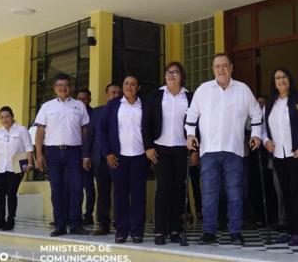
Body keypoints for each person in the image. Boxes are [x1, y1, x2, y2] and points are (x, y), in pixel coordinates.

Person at [185, 53, 263, 245]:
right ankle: (209, 232)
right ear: (213, 70)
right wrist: (190, 135)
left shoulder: (243, 89)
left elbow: (256, 114)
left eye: (224, 65)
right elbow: (191, 115)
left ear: (231, 68)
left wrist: (256, 135)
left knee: (235, 192)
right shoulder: (203, 90)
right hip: (208, 150)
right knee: (209, 192)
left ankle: (235, 231)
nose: (221, 69)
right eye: (217, 66)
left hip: (234, 149)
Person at [261, 68, 298, 246]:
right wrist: (266, 141)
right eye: (277, 77)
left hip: (297, 154)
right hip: (278, 155)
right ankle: (291, 230)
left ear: (289, 79)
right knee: (286, 193)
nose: (281, 80)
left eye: (284, 76)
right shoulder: (269, 104)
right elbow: (262, 129)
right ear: (273, 82)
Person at [142, 61, 194, 245]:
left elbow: (197, 124)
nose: (172, 75)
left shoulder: (189, 96)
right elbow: (146, 122)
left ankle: (174, 229)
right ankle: (159, 231)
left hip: (182, 149)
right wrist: (148, 147)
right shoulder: (155, 96)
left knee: (179, 189)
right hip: (160, 149)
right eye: (168, 72)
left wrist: (195, 149)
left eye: (176, 72)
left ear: (182, 76)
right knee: (163, 188)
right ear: (165, 76)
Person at [35, 73, 90, 237]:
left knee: (77, 188)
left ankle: (76, 224)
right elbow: (40, 132)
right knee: (57, 189)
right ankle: (60, 225)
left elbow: (84, 130)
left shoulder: (79, 106)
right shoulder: (46, 107)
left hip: (74, 152)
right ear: (54, 88)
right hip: (52, 152)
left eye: (65, 84)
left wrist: (85, 153)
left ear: (70, 87)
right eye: (59, 85)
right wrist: (39, 155)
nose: (63, 88)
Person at [99, 75, 148, 243]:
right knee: (120, 195)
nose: (129, 86)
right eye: (126, 83)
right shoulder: (113, 105)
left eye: (133, 84)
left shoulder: (145, 105)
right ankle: (121, 231)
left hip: (140, 156)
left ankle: (137, 232)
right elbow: (101, 129)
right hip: (118, 158)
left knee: (138, 196)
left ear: (138, 87)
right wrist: (108, 153)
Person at [0, 106, 33, 231]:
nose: (5, 119)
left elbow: (28, 148)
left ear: (12, 116)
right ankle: (0, 220)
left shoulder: (22, 130)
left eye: (7, 116)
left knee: (11, 193)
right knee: (0, 195)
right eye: (2, 117)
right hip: (0, 168)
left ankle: (10, 220)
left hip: (16, 167)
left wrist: (30, 164)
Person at [83, 83, 121, 235]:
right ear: (107, 94)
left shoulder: (125, 110)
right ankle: (103, 224)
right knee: (103, 193)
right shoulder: (97, 112)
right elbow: (90, 135)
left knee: (120, 192)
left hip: (119, 158)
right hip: (101, 159)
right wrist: (86, 155)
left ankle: (120, 222)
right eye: (113, 92)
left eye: (118, 92)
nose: (116, 95)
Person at [76, 88, 96, 227]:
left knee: (89, 187)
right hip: (73, 155)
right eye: (80, 98)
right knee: (74, 187)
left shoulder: (94, 114)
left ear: (90, 100)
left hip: (89, 155)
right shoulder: (72, 113)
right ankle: (73, 216)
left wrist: (87, 155)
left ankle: (88, 215)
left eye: (85, 98)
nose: (82, 101)